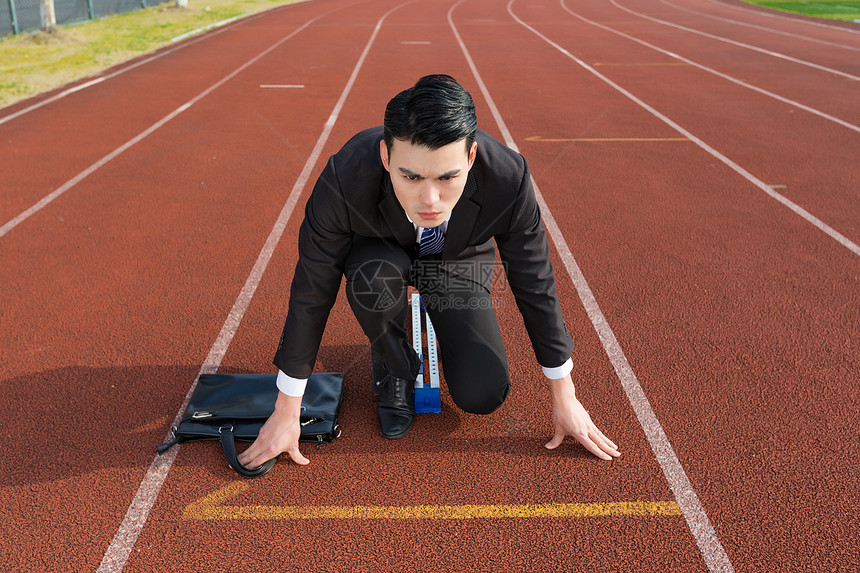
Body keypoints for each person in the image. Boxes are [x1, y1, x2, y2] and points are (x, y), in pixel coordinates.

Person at [238, 74, 619, 469]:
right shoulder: (344, 177)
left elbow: (534, 280)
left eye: (448, 177)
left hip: (458, 257)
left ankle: (443, 324)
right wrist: (287, 410)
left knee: (483, 393)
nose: (430, 200)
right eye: (411, 176)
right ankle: (396, 365)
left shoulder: (508, 178)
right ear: (386, 158)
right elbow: (312, 287)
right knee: (373, 284)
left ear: (470, 158)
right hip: (380, 250)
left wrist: (565, 395)